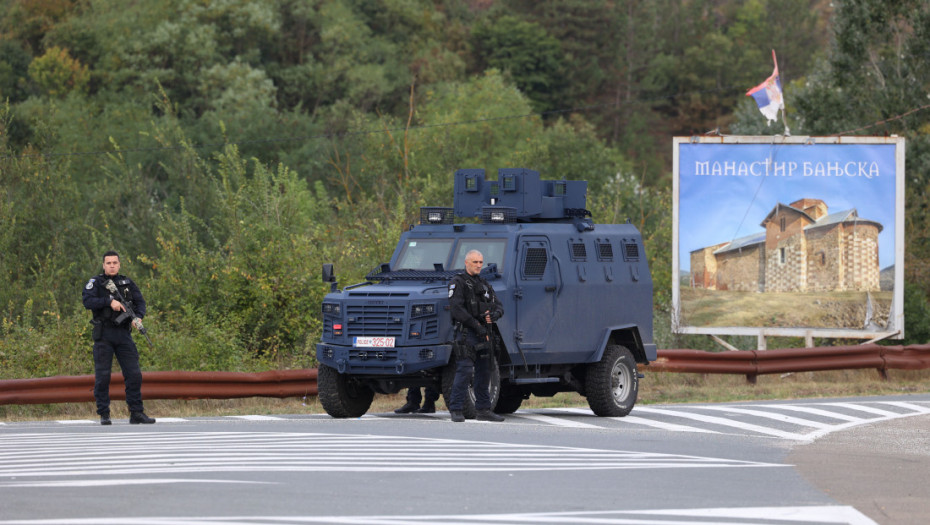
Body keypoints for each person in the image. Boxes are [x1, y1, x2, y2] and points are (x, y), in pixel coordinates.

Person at [82, 251, 155, 425]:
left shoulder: (127, 282)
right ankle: (104, 413)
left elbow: (140, 302)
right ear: (103, 265)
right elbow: (87, 301)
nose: (112, 265)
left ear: (119, 264)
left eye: (115, 262)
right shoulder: (96, 283)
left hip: (123, 334)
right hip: (104, 335)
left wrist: (138, 317)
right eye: (108, 263)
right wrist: (108, 301)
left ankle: (136, 412)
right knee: (103, 376)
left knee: (134, 374)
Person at [447, 249, 505, 423]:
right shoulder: (458, 282)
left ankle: (483, 409)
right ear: (467, 263)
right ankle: (456, 408)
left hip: (484, 334)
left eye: (481, 262)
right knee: (464, 371)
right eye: (475, 262)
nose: (479, 265)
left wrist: (495, 315)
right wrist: (476, 325)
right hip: (467, 333)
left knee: (484, 372)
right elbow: (457, 309)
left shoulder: (484, 284)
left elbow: (499, 306)